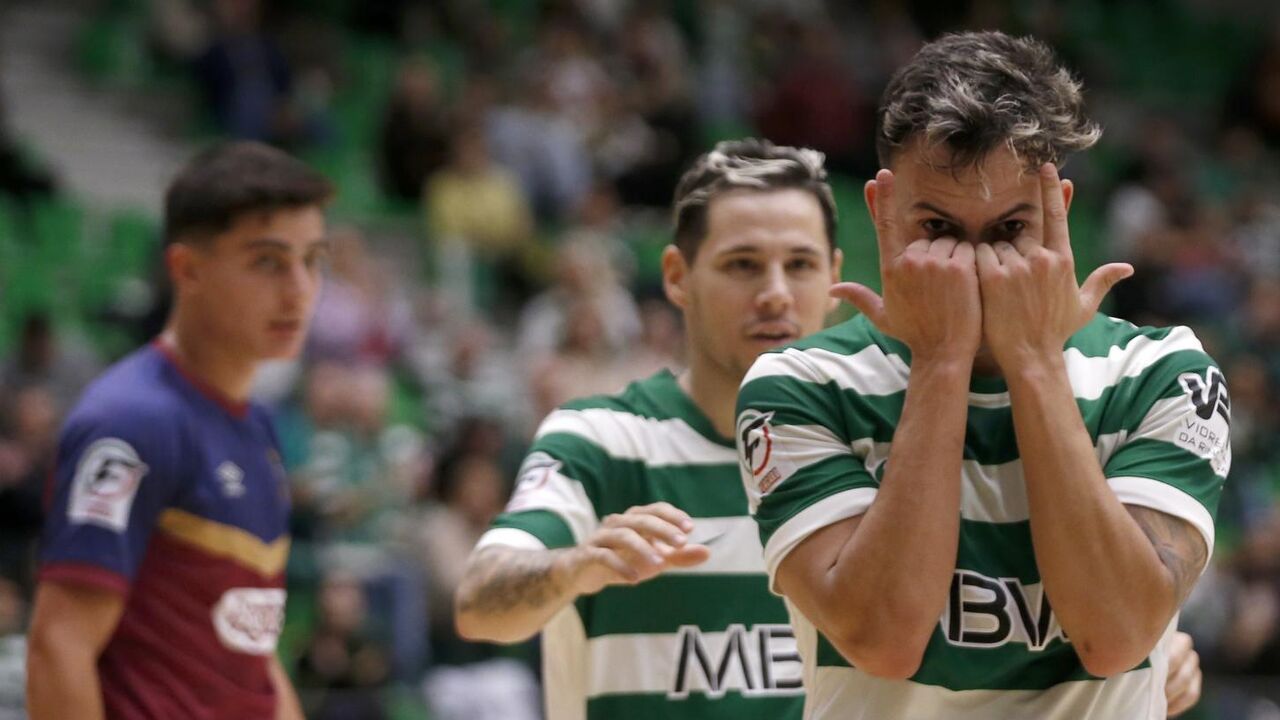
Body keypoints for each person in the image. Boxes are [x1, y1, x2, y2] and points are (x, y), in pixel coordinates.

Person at [454, 139, 1204, 719]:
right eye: (743, 265)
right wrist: (574, 568)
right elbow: (480, 602)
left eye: (801, 264)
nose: (776, 294)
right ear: (678, 278)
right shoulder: (605, 440)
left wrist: (1151, 652)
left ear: (841, 275)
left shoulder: (902, 439)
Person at [735, 32, 1227, 719]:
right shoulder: (798, 388)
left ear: (1060, 213)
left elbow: (1116, 636)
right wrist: (941, 360)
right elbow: (883, 641)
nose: (969, 268)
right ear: (881, 212)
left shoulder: (1161, 373)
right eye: (936, 227)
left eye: (1007, 231)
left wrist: (1032, 362)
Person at [26, 141, 332, 719]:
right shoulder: (130, 423)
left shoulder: (259, 427)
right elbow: (59, 647)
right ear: (188, 269)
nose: (299, 288)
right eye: (268, 261)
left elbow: (254, 654)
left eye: (312, 260)